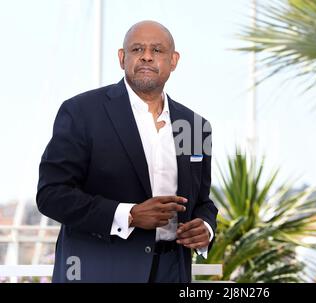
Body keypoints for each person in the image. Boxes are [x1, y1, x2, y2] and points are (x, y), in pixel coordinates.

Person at [36, 20, 218, 283]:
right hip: (101, 271)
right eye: (137, 49)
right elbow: (51, 194)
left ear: (173, 60)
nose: (146, 56)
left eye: (157, 50)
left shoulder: (195, 126)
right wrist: (129, 216)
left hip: (173, 271)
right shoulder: (82, 113)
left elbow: (202, 201)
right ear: (122, 58)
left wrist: (206, 228)